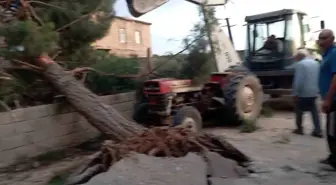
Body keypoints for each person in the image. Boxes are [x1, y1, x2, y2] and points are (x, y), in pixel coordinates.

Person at [292, 49, 322, 138]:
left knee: (299, 110)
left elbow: (299, 81)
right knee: (314, 111)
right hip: (314, 91)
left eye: (296, 58)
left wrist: (296, 93)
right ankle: (318, 130)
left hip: (303, 92)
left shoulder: (300, 65)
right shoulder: (315, 63)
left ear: (298, 57)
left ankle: (299, 129)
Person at [318, 29, 336, 166]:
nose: (321, 41)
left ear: (332, 39)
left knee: (333, 131)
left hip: (334, 100)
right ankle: (332, 157)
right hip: (330, 99)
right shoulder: (326, 55)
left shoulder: (334, 53)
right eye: (320, 38)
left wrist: (329, 99)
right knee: (330, 129)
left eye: (325, 38)